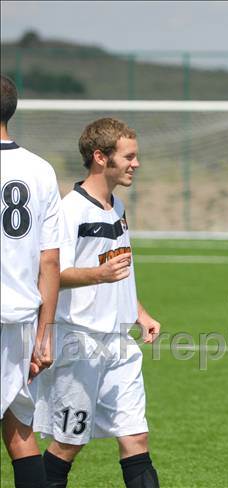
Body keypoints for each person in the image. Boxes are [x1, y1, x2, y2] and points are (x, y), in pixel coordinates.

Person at [33, 118, 161, 487]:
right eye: (129, 156)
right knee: (68, 443)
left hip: (119, 343)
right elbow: (51, 274)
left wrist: (139, 312)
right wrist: (97, 275)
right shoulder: (70, 210)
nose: (136, 163)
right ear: (101, 157)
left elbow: (120, 271)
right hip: (80, 342)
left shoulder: (117, 206)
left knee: (135, 438)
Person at [1, 73, 62, 488]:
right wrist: (46, 334)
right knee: (20, 432)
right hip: (21, 321)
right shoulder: (40, 170)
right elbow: (50, 261)